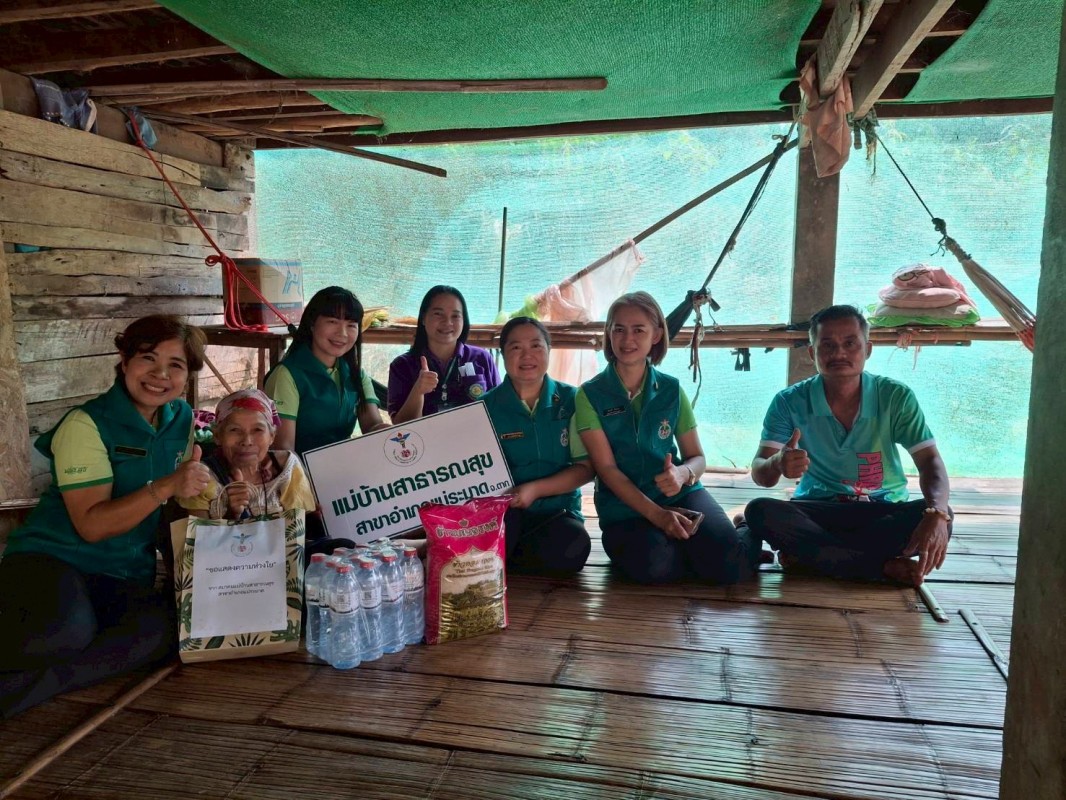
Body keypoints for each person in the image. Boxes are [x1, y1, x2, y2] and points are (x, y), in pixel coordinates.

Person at [0, 315, 212, 718]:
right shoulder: (86, 424)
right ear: (124, 359)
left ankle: (19, 689)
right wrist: (166, 485)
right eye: (147, 358)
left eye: (175, 365)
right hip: (52, 560)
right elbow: (92, 526)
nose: (159, 374)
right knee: (63, 633)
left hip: (122, 573)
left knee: (168, 627)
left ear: (187, 375)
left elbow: (175, 508)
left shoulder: (181, 419)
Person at [741, 304, 952, 587]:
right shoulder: (789, 401)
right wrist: (778, 462)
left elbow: (930, 462)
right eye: (827, 345)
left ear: (868, 349)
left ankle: (814, 557)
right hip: (818, 510)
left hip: (882, 510)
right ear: (811, 352)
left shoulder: (894, 396)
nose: (839, 353)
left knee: (941, 515)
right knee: (760, 511)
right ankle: (878, 567)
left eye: (850, 343)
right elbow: (760, 474)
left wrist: (935, 514)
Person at [576, 292, 761, 584]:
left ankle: (744, 529)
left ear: (657, 334)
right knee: (655, 567)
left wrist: (682, 473)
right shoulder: (589, 394)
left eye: (639, 330)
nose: (627, 339)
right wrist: (658, 515)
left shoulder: (671, 390)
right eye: (619, 329)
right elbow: (607, 470)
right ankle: (701, 550)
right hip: (625, 508)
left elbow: (698, 458)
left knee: (732, 570)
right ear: (608, 333)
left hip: (680, 493)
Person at [482, 317, 593, 575]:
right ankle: (504, 551)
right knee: (497, 540)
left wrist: (534, 489)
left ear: (549, 351)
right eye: (516, 347)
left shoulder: (572, 399)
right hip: (505, 510)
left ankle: (505, 554)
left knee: (573, 549)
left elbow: (585, 468)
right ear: (503, 354)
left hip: (557, 510)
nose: (527, 355)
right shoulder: (485, 407)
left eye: (536, 346)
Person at [265, 286, 389, 457]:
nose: (343, 333)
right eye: (332, 322)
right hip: (300, 474)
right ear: (312, 324)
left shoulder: (356, 375)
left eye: (351, 325)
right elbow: (283, 451)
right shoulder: (286, 375)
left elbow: (372, 426)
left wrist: (391, 433)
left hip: (343, 468)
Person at [179, 389, 316, 521]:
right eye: (234, 430)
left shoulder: (286, 467)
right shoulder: (201, 477)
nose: (247, 441)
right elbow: (197, 541)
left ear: (272, 436)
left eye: (257, 430)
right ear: (217, 436)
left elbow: (303, 530)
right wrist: (231, 515)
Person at [388, 285, 500, 423]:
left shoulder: (482, 358)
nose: (447, 322)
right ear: (423, 318)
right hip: (426, 443)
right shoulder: (402, 365)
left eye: (455, 316)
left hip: (474, 442)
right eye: (438, 314)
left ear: (463, 320)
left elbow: (499, 410)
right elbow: (401, 428)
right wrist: (418, 391)